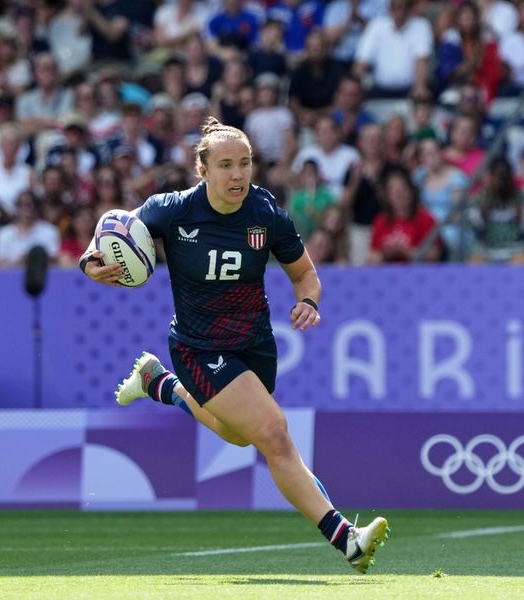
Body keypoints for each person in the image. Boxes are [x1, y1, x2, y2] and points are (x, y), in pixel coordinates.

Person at [79, 117, 389, 573]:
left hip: (254, 344)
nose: (238, 174)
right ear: (202, 168)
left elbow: (305, 273)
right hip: (198, 347)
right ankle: (347, 541)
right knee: (274, 433)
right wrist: (92, 266)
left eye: (244, 164)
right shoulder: (171, 210)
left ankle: (157, 384)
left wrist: (307, 300)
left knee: (239, 436)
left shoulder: (265, 213)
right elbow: (105, 244)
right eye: (225, 165)